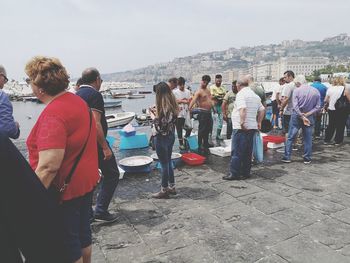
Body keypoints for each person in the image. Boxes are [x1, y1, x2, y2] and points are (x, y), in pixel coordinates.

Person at [25, 56, 100, 263]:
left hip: (64, 192)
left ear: (40, 87)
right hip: (85, 183)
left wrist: (30, 200)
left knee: (68, 244)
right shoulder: (78, 101)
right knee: (83, 235)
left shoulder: (53, 115)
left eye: (29, 80)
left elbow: (48, 166)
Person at [76, 68, 120, 222]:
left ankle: (87, 213)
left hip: (83, 145)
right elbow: (95, 123)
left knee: (90, 177)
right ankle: (100, 211)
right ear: (96, 79)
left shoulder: (77, 94)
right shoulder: (94, 95)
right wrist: (105, 147)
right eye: (100, 80)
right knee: (112, 174)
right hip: (95, 143)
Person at [223, 79, 265, 180]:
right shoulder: (255, 96)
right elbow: (262, 109)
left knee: (237, 151)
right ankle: (246, 172)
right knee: (247, 151)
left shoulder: (241, 94)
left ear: (239, 85)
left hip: (241, 127)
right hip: (252, 127)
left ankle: (235, 173)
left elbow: (243, 109)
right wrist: (259, 122)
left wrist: (242, 123)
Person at [282, 75, 320, 164]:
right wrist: (307, 114)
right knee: (308, 138)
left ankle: (287, 157)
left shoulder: (297, 90)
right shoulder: (315, 91)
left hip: (297, 116)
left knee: (291, 136)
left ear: (298, 83)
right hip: (309, 116)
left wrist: (301, 115)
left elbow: (295, 106)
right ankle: (307, 158)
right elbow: (318, 106)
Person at [150, 82, 178, 198]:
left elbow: (160, 127)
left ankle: (164, 189)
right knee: (168, 161)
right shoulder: (172, 105)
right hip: (170, 136)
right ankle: (172, 187)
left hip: (161, 138)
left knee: (164, 164)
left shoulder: (164, 108)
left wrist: (152, 115)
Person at [189, 75, 213, 155]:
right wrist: (189, 108)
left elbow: (210, 100)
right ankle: (199, 145)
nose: (205, 83)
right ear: (201, 81)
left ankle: (205, 143)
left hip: (209, 112)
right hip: (202, 112)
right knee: (202, 129)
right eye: (204, 81)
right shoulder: (199, 91)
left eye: (206, 82)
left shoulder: (208, 90)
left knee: (207, 129)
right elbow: (193, 100)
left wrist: (214, 108)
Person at [324, 77, 350, 145]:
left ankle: (327, 139)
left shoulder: (330, 88)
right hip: (341, 110)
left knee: (331, 125)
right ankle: (337, 141)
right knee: (340, 125)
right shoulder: (344, 89)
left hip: (331, 109)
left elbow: (326, 100)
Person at [0, 65, 20, 139]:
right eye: (5, 79)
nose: (4, 84)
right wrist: (16, 127)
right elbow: (7, 129)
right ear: (1, 76)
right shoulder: (1, 95)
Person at [173, 77, 192, 150]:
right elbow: (174, 101)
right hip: (179, 112)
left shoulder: (187, 91)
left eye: (183, 84)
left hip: (186, 111)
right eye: (180, 85)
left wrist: (189, 105)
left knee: (189, 128)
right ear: (178, 85)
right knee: (179, 128)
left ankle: (185, 138)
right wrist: (182, 101)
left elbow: (190, 100)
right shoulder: (175, 92)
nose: (182, 86)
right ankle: (181, 143)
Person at [209, 74, 226, 140]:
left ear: (221, 80)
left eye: (220, 81)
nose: (218, 82)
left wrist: (218, 96)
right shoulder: (212, 87)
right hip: (213, 106)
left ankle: (218, 135)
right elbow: (211, 97)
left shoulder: (223, 87)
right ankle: (210, 135)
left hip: (221, 106)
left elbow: (225, 96)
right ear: (215, 80)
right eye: (217, 81)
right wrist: (218, 96)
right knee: (211, 122)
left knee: (220, 121)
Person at [280, 70, 296, 135]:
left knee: (287, 131)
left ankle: (288, 144)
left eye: (285, 77)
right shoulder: (297, 85)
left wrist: (281, 109)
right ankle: (294, 143)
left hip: (288, 112)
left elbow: (286, 99)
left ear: (290, 77)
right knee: (294, 130)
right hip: (296, 111)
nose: (284, 79)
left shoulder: (288, 86)